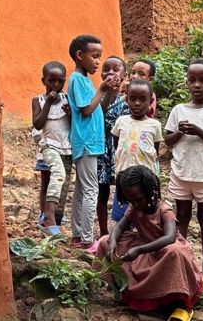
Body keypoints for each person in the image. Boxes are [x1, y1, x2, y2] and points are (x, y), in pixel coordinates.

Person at [92, 166, 202, 321]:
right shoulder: (134, 209)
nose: (135, 204)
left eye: (138, 200)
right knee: (105, 240)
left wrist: (139, 250)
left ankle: (181, 305)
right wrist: (112, 243)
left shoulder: (164, 210)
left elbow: (169, 238)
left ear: (152, 191)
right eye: (130, 201)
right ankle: (123, 290)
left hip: (162, 250)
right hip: (142, 247)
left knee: (174, 252)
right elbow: (119, 227)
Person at [164, 59, 203, 285]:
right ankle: (181, 260)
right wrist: (180, 133)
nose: (197, 85)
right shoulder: (178, 110)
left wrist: (199, 131)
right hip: (182, 172)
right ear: (187, 83)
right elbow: (168, 140)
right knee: (181, 217)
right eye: (192, 80)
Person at [66, 35, 119, 252]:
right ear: (80, 55)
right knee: (90, 191)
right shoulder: (77, 80)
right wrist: (102, 89)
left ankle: (78, 236)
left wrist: (108, 90)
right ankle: (88, 240)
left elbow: (97, 107)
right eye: (95, 56)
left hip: (90, 143)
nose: (98, 62)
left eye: (100, 57)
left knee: (81, 191)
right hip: (86, 142)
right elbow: (86, 110)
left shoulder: (85, 80)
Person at [110, 79, 163, 223]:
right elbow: (117, 145)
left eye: (142, 99)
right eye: (132, 99)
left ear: (151, 100)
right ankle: (124, 242)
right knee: (123, 218)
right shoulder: (121, 121)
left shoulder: (154, 125)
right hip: (124, 179)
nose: (137, 103)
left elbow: (155, 151)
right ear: (126, 99)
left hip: (145, 181)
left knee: (147, 216)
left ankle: (146, 240)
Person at [32, 61, 72, 236]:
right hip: (48, 145)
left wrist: (70, 113)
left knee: (63, 184)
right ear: (43, 81)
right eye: (51, 81)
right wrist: (48, 103)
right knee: (54, 176)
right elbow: (38, 124)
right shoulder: (38, 100)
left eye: (60, 81)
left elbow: (73, 124)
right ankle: (47, 216)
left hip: (66, 147)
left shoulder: (67, 99)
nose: (56, 85)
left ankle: (54, 218)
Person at [96, 56, 129, 237]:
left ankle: (124, 231)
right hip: (102, 150)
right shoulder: (98, 96)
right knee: (102, 192)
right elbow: (99, 114)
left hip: (121, 150)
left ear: (125, 74)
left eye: (115, 69)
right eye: (106, 69)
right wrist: (107, 90)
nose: (110, 72)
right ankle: (103, 232)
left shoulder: (130, 101)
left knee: (124, 191)